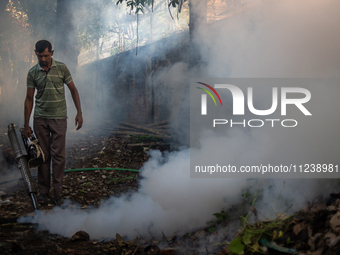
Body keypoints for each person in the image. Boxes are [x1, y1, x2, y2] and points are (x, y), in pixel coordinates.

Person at [23, 40, 83, 206]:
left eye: (46, 55)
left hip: (59, 118)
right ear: (36, 53)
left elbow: (73, 90)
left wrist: (79, 112)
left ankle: (57, 193)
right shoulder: (32, 73)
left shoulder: (62, 68)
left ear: (52, 53)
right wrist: (26, 124)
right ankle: (43, 192)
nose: (43, 59)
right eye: (40, 55)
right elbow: (29, 99)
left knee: (58, 156)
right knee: (43, 156)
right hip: (40, 118)